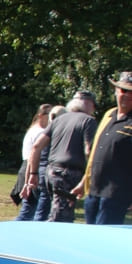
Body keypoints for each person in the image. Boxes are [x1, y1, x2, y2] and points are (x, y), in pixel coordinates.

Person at [26, 92, 97, 222]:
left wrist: (33, 173)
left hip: (51, 171)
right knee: (60, 217)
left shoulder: (58, 120)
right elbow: (89, 151)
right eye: (94, 106)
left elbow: (36, 146)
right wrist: (89, 176)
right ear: (88, 104)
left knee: (59, 211)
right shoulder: (88, 121)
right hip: (69, 173)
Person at [73, 71, 132, 225]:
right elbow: (95, 153)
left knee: (104, 237)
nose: (127, 95)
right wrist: (83, 182)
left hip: (117, 193)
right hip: (94, 189)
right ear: (116, 91)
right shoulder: (109, 115)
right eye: (124, 90)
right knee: (89, 235)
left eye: (131, 92)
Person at [14, 103, 53, 220]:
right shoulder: (40, 133)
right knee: (29, 213)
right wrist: (28, 181)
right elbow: (33, 156)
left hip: (30, 168)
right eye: (49, 114)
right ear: (41, 115)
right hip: (31, 169)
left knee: (29, 212)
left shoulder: (35, 129)